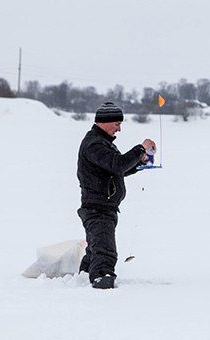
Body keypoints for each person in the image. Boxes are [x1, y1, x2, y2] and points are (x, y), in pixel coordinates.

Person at [76, 101, 156, 289]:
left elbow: (115, 169)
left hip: (102, 208)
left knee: (97, 249)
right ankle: (101, 281)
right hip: (97, 210)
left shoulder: (102, 143)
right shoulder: (94, 144)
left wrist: (139, 162)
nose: (119, 129)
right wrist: (140, 149)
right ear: (104, 122)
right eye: (117, 124)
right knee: (105, 253)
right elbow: (118, 164)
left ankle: (83, 277)